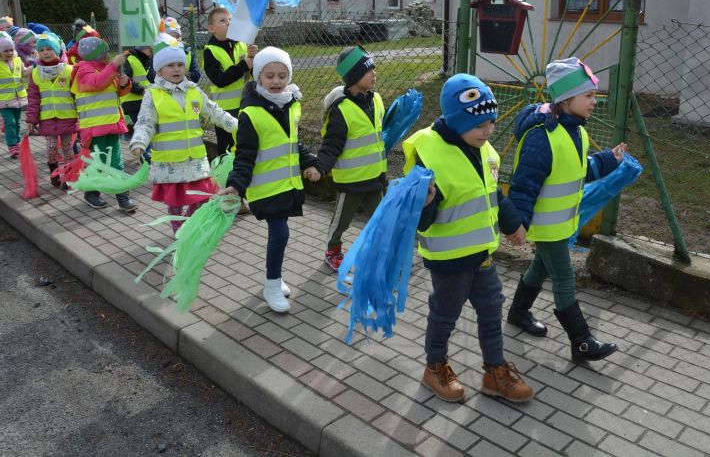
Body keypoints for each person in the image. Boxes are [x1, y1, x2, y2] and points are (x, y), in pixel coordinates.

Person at [402, 73, 534, 404]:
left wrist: (513, 224)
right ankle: (435, 367)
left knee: (491, 309)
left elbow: (493, 194)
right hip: (449, 260)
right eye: (479, 125)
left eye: (491, 122)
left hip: (482, 255)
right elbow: (418, 220)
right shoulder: (429, 154)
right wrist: (426, 203)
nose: (488, 131)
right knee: (445, 315)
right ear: (457, 121)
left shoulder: (484, 150)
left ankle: (495, 371)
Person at [506, 57, 626, 362]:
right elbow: (523, 185)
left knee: (540, 268)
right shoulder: (541, 138)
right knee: (564, 277)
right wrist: (517, 222)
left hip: (561, 223)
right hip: (546, 226)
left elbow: (579, 169)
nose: (594, 102)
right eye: (589, 95)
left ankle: (518, 312)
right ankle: (581, 341)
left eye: (595, 95)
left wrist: (608, 160)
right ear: (566, 99)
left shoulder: (576, 131)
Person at [219, 47, 321, 312]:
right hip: (265, 189)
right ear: (258, 77)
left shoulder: (292, 105)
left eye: (282, 76)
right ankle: (272, 284)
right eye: (270, 75)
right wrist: (236, 185)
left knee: (280, 235)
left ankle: (275, 277)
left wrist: (310, 163)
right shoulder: (251, 114)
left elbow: (293, 143)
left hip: (287, 185)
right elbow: (244, 155)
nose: (276, 81)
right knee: (280, 233)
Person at [129, 34, 238, 235]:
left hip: (195, 159)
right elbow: (145, 123)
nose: (176, 69)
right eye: (170, 65)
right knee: (176, 201)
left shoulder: (193, 91)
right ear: (159, 69)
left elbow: (213, 111)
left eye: (180, 64)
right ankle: (179, 230)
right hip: (170, 161)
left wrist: (236, 125)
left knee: (202, 196)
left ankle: (189, 222)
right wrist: (139, 142)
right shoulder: (153, 95)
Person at [316, 45, 387, 271]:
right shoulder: (341, 109)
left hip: (375, 177)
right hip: (351, 181)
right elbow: (331, 145)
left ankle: (379, 255)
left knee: (381, 220)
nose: (374, 73)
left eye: (374, 68)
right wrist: (319, 167)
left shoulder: (376, 100)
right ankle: (332, 251)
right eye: (368, 70)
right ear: (354, 76)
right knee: (341, 221)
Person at [72, 34, 137, 212]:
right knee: (98, 163)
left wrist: (124, 84)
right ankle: (91, 193)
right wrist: (113, 65)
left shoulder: (105, 69)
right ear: (97, 55)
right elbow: (97, 84)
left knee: (116, 162)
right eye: (105, 53)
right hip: (94, 128)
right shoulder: (83, 70)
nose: (109, 55)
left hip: (112, 124)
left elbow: (118, 92)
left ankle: (123, 198)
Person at [24, 32, 78, 188]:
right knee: (51, 148)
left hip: (67, 116)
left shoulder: (68, 70)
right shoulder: (35, 73)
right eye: (41, 50)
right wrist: (31, 119)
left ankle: (69, 177)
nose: (45, 53)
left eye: (49, 49)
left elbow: (77, 95)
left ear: (57, 50)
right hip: (47, 117)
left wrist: (82, 116)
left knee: (68, 149)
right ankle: (54, 172)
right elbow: (33, 98)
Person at [201, 7, 256, 156]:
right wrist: (244, 64)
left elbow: (253, 73)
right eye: (223, 20)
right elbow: (220, 80)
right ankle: (224, 170)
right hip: (223, 111)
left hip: (244, 105)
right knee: (226, 148)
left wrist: (253, 59)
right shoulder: (210, 51)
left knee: (243, 143)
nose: (229, 23)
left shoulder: (241, 45)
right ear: (212, 28)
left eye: (230, 20)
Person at [0, 32, 29, 158]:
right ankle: (13, 146)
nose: (9, 53)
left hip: (18, 98)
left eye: (11, 50)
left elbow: (24, 73)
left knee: (17, 123)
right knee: (10, 123)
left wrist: (34, 68)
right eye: (6, 51)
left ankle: (18, 143)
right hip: (3, 100)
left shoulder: (17, 60)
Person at [162, 17, 200, 82]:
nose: (175, 39)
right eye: (171, 36)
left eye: (178, 36)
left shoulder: (188, 52)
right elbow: (151, 76)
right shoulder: (158, 53)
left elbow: (196, 76)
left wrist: (182, 74)